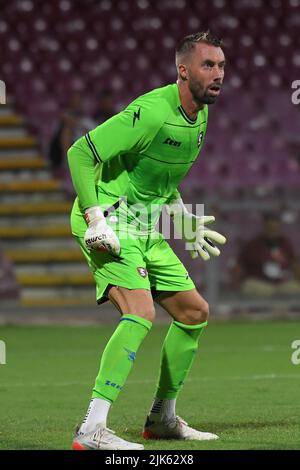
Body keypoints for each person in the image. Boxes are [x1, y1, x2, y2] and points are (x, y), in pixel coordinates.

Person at [67, 31, 226, 450]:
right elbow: (79, 154)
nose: (218, 74)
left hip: (144, 225)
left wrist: (182, 218)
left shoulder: (201, 117)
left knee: (193, 312)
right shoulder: (153, 111)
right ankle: (91, 429)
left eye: (222, 66)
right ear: (183, 69)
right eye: (208, 65)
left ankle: (161, 418)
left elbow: (158, 182)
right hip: (109, 220)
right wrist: (94, 218)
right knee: (139, 312)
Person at [232, 212, 300, 297]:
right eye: (270, 227)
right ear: (264, 227)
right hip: (260, 284)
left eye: (275, 227)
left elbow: (295, 263)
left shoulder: (285, 244)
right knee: (249, 286)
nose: (272, 230)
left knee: (295, 288)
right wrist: (236, 282)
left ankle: (281, 308)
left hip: (281, 285)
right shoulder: (253, 244)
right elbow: (239, 265)